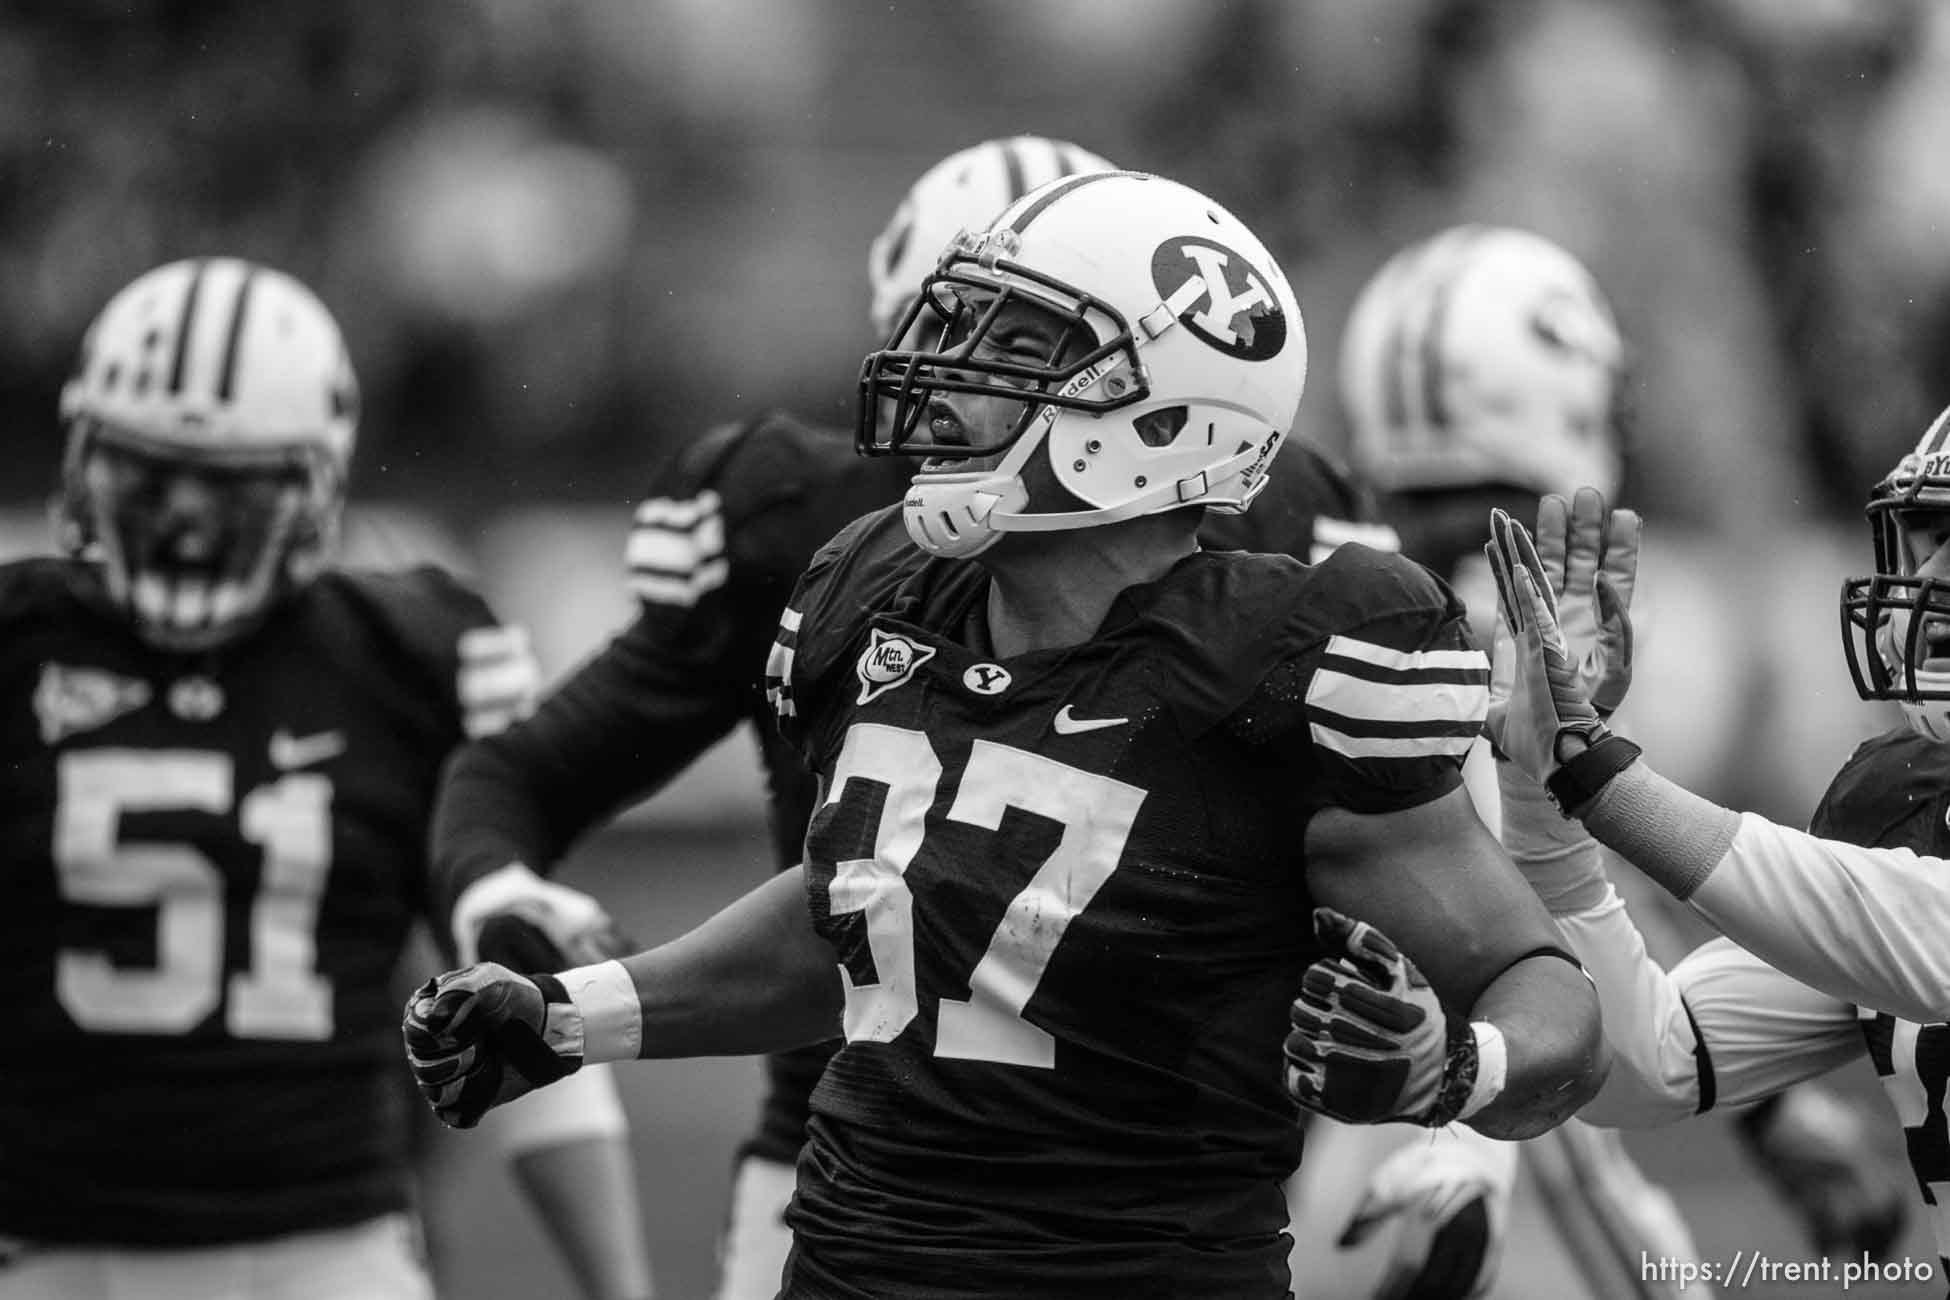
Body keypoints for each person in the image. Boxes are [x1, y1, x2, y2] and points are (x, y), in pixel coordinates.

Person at [405, 169, 1606, 1300]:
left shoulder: (1289, 663)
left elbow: (1549, 993)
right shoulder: (875, 593)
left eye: (1024, 349)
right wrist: (573, 1014)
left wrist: (1455, 1069)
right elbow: (861, 909)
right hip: (842, 1266)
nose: (957, 377)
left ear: (1167, 413)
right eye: (966, 332)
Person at [0, 257, 653, 1300]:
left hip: (325, 1253)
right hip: (42, 1248)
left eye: (231, 486)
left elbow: (520, 1011)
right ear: (83, 456)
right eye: (150, 473)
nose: (183, 519)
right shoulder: (19, 642)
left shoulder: (409, 661)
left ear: (317, 481)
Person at [1327, 224, 1903, 1298]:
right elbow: (1559, 871)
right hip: (1469, 1104)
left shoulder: (1311, 581)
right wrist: (1782, 1110)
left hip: (1288, 1123)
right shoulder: (1528, 598)